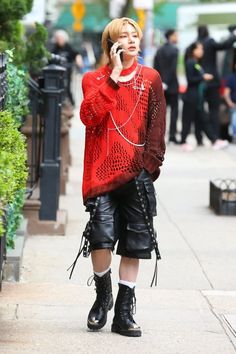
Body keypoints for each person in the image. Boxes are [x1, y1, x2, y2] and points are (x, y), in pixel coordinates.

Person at [68, 17, 166, 337]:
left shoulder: (150, 78)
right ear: (111, 44)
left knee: (135, 245)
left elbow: (156, 128)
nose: (131, 40)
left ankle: (123, 311)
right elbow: (88, 115)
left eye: (134, 35)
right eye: (123, 36)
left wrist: (148, 168)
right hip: (101, 174)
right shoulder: (93, 78)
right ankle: (103, 296)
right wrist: (113, 75)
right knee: (100, 237)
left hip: (136, 175)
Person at [181, 41, 229, 151]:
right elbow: (190, 80)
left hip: (198, 97)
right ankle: (183, 142)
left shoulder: (197, 63)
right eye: (199, 49)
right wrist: (203, 77)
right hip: (191, 97)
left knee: (204, 119)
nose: (202, 51)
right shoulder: (190, 62)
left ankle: (214, 140)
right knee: (187, 120)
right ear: (193, 51)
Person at [197, 25, 236, 139]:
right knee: (214, 111)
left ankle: (199, 138)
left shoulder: (196, 44)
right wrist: (233, 36)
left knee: (199, 110)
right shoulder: (210, 42)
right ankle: (215, 136)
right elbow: (224, 45)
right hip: (213, 81)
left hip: (201, 81)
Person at [153, 29, 179, 144]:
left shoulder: (159, 50)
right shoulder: (175, 50)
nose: (177, 37)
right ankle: (172, 136)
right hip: (172, 85)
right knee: (174, 111)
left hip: (161, 85)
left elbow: (155, 67)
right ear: (171, 36)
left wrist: (161, 82)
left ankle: (159, 136)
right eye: (176, 35)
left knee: (161, 113)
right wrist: (167, 82)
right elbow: (173, 68)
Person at [51, 29, 83, 105]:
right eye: (57, 38)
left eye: (60, 38)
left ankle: (71, 103)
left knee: (67, 87)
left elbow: (76, 54)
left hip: (67, 71)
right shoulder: (55, 48)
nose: (59, 40)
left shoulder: (68, 46)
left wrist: (78, 60)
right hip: (57, 72)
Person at [224, 63, 236, 143]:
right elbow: (226, 92)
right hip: (234, 104)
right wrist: (230, 103)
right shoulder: (231, 78)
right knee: (234, 122)